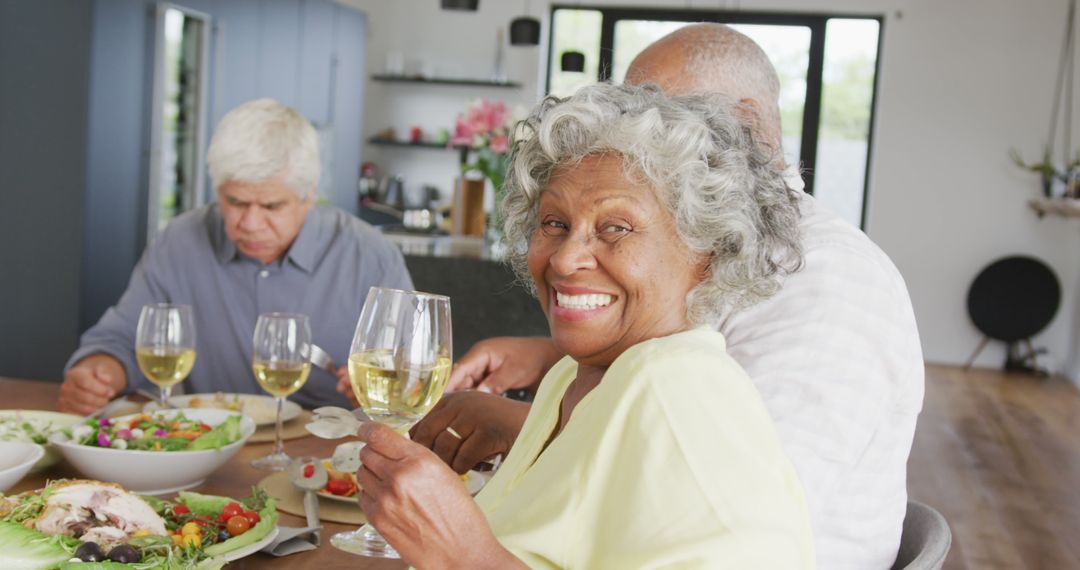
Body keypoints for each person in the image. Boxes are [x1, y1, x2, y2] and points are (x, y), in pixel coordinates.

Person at [409, 23, 924, 570]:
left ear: (743, 126)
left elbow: (732, 493)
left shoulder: (832, 280)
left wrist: (471, 536)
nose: (629, 131)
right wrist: (550, 364)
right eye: (555, 223)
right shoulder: (615, 358)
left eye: (661, 116)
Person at [352, 82, 814, 568]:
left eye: (616, 228)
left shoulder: (679, 391)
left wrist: (461, 552)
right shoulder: (575, 377)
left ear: (707, 252)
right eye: (554, 222)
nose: (567, 258)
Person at [59, 98, 412, 414]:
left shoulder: (370, 256)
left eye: (272, 205)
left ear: (310, 194)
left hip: (330, 459)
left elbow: (411, 376)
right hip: (209, 453)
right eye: (236, 202)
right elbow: (123, 338)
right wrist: (99, 373)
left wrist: (385, 398)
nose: (251, 224)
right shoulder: (180, 241)